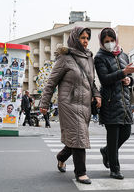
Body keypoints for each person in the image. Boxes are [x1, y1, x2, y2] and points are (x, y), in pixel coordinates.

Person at [39, 27, 101, 184]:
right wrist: (44, 103)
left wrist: (97, 94)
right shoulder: (64, 59)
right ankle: (81, 173)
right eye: (82, 38)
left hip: (85, 104)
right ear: (75, 39)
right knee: (79, 135)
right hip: (68, 104)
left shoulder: (89, 58)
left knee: (75, 137)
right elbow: (51, 82)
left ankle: (61, 157)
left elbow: (91, 81)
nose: (85, 41)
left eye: (87, 38)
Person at [94, 28, 134, 180]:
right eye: (106, 41)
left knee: (126, 132)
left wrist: (129, 79)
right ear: (102, 42)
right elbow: (104, 79)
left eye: (111, 40)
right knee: (113, 137)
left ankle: (107, 151)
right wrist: (123, 74)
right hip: (110, 101)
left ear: (116, 40)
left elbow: (128, 78)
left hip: (125, 101)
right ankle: (115, 169)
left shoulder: (124, 55)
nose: (109, 44)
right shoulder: (100, 57)